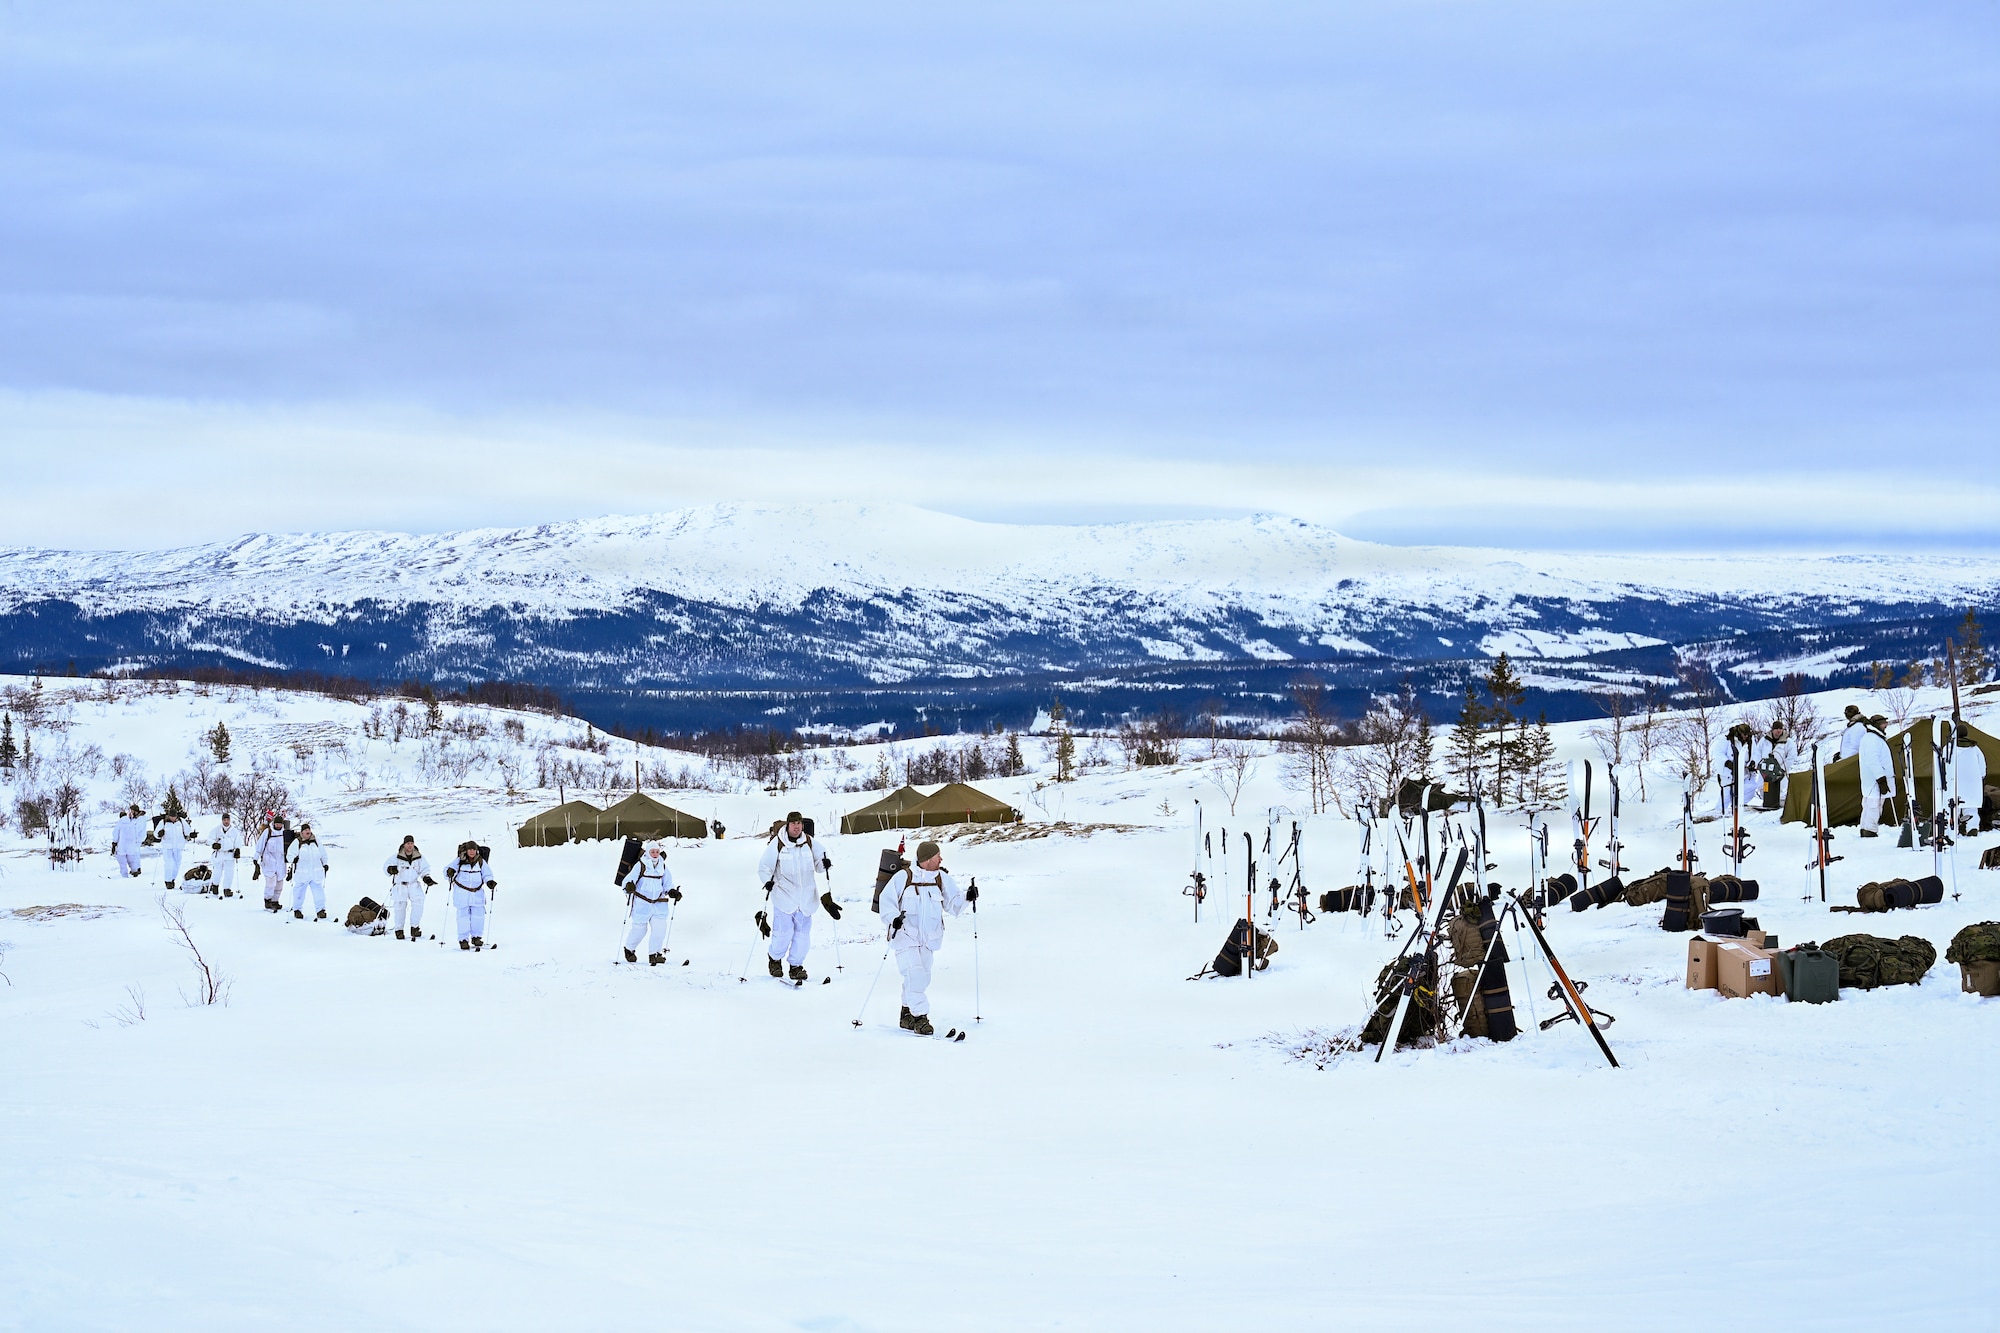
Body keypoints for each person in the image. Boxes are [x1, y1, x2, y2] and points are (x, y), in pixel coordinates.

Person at [876, 839, 975, 1035]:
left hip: (930, 939)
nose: (941, 859)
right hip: (905, 937)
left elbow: (953, 904)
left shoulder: (941, 878)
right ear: (928, 859)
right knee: (915, 976)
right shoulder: (903, 877)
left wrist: (968, 896)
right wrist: (893, 918)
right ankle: (921, 1018)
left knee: (921, 978)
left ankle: (906, 1014)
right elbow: (886, 901)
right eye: (938, 856)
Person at [756, 811, 836, 983]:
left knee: (802, 936)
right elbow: (764, 866)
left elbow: (820, 863)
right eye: (793, 824)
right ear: (788, 825)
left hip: (806, 898)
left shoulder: (809, 842)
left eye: (799, 823)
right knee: (783, 933)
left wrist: (825, 864)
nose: (796, 827)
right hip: (784, 896)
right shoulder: (778, 843)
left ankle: (796, 966)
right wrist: (767, 881)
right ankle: (775, 960)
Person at [620, 841, 682, 965]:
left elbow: (667, 883)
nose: (655, 854)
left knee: (660, 928)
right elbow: (628, 880)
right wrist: (629, 886)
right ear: (648, 852)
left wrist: (672, 892)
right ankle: (629, 949)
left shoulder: (663, 866)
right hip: (642, 903)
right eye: (652, 852)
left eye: (657, 852)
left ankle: (654, 954)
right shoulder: (640, 865)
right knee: (640, 930)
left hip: (658, 904)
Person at [444, 841, 497, 951]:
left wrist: (489, 882)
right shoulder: (459, 860)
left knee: (478, 917)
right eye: (470, 849)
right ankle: (463, 940)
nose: (472, 852)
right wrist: (449, 872)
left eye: (474, 849)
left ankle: (476, 937)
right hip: (462, 894)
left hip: (477, 894)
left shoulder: (481, 861)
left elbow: (487, 874)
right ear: (466, 850)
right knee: (462, 918)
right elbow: (446, 871)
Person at [382, 835, 435, 940]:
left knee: (418, 904)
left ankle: (415, 928)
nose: (410, 845)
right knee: (400, 907)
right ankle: (399, 930)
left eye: (411, 843)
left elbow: (425, 869)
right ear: (404, 844)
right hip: (400, 885)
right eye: (408, 843)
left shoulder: (419, 857)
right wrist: (390, 869)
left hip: (414, 884)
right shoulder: (396, 857)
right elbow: (386, 866)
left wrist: (426, 878)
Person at [1857, 715, 1895, 837]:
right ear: (1877, 724)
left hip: (1872, 778)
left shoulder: (1873, 737)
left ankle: (1865, 828)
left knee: (1869, 804)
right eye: (1883, 723)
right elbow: (1873, 760)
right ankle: (1870, 830)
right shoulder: (1872, 739)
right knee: (1874, 805)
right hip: (1875, 779)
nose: (1885, 726)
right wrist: (1881, 778)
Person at [288, 823, 331, 919]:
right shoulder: (297, 842)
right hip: (302, 874)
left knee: (319, 893)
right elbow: (289, 855)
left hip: (316, 873)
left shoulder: (316, 841)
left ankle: (321, 910)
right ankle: (297, 910)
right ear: (302, 832)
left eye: (309, 830)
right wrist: (293, 859)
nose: (308, 832)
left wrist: (325, 864)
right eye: (305, 830)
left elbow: (323, 853)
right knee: (299, 893)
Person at [1954, 721, 1989, 837]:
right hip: (1972, 783)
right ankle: (1972, 828)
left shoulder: (1949, 748)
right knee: (1971, 807)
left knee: (1953, 808)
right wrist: (1981, 777)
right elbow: (1982, 766)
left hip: (1955, 782)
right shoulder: (1975, 748)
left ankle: (1952, 829)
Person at [255, 814, 292, 913]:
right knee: (270, 883)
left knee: (279, 883)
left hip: (281, 861)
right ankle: (267, 900)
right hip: (269, 861)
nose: (278, 825)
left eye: (280, 824)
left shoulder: (285, 833)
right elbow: (260, 845)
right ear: (274, 823)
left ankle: (275, 901)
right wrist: (256, 859)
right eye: (277, 823)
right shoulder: (268, 832)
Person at [155, 807, 198, 892]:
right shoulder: (163, 822)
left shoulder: (181, 821)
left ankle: (172, 879)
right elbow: (156, 833)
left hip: (178, 846)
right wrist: (159, 834)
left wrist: (191, 834)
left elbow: (187, 831)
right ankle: (168, 881)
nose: (173, 818)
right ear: (169, 816)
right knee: (169, 863)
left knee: (177, 863)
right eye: (171, 816)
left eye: (174, 816)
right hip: (167, 846)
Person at [209, 811, 243, 897]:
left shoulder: (234, 831)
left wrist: (237, 850)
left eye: (227, 820)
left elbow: (238, 842)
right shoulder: (217, 830)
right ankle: (215, 886)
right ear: (222, 820)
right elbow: (209, 839)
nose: (226, 821)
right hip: (219, 854)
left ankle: (227, 889)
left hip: (229, 854)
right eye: (224, 820)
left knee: (229, 873)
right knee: (217, 872)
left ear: (230, 820)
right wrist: (214, 844)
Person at [112, 804, 146, 879]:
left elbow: (137, 829)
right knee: (132, 855)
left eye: (132, 811)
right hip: (133, 840)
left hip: (137, 839)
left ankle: (135, 869)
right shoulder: (132, 820)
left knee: (134, 854)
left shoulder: (140, 819)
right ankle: (135, 869)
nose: (131, 812)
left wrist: (115, 843)